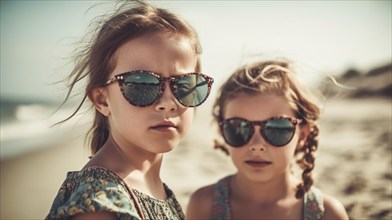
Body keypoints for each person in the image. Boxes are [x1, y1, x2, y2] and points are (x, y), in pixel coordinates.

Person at [46, 1, 214, 219]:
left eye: (185, 86)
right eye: (142, 84)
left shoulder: (151, 185)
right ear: (102, 100)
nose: (169, 102)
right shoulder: (100, 205)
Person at [186, 60, 348, 220]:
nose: (257, 145)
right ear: (222, 132)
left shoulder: (327, 213)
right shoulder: (204, 205)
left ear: (303, 135)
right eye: (238, 128)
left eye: (277, 128)